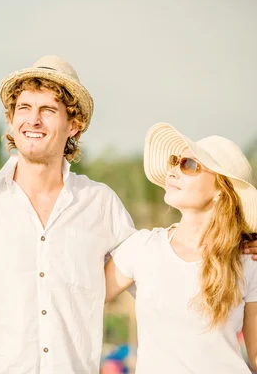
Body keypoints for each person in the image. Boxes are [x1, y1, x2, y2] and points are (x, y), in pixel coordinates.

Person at [0, 55, 137, 373]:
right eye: (24, 109)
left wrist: (240, 245)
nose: (33, 120)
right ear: (11, 121)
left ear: (74, 125)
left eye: (48, 110)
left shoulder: (100, 205)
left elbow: (157, 272)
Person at [104, 123, 257, 373]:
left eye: (189, 165)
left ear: (221, 190)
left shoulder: (248, 259)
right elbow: (81, 300)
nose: (173, 170)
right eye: (175, 161)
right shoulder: (141, 248)